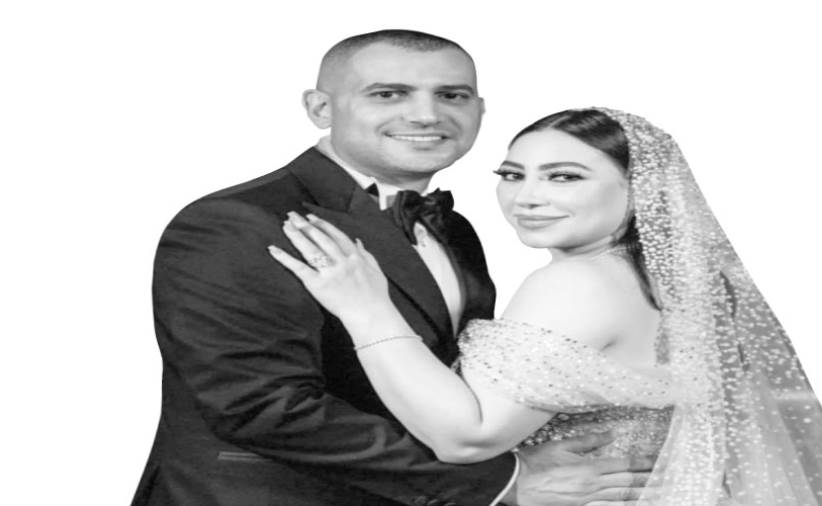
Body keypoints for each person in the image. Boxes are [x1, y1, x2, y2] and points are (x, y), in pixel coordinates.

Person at [133, 31, 651, 506]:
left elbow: (452, 386)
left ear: (480, 109)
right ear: (319, 108)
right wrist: (503, 481)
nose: (426, 115)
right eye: (388, 94)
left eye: (452, 95)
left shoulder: (457, 230)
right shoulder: (240, 221)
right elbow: (260, 406)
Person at [269, 107, 822, 504]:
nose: (527, 197)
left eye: (563, 177)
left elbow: (469, 436)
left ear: (639, 190)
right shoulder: (661, 284)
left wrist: (366, 308)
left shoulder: (578, 283)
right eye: (512, 175)